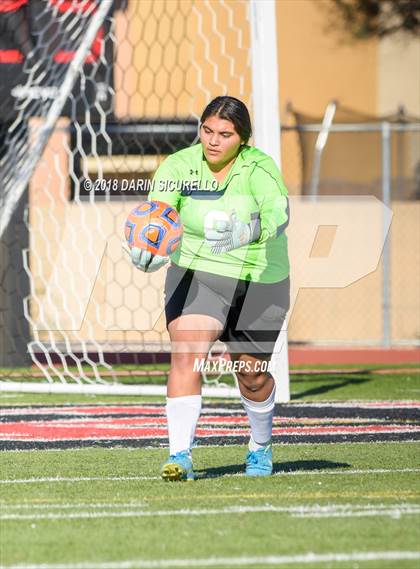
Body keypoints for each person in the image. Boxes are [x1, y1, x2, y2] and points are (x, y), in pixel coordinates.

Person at [127, 96, 290, 480]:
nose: (213, 141)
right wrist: (146, 248)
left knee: (251, 374)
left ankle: (260, 446)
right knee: (187, 355)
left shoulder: (260, 168)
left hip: (259, 279)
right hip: (198, 275)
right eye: (207, 130)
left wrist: (246, 231)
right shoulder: (179, 165)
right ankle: (179, 456)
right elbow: (158, 215)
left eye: (225, 134)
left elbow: (279, 215)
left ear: (243, 139)